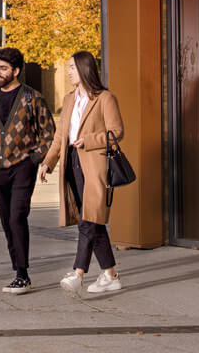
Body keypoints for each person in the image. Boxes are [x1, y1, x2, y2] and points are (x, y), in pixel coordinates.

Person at [40, 51, 127, 298]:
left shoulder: (105, 99)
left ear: (84, 69)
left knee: (89, 220)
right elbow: (60, 136)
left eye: (71, 68)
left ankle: (78, 272)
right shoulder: (69, 100)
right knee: (90, 219)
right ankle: (110, 275)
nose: (68, 72)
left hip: (95, 165)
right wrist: (48, 162)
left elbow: (116, 132)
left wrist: (88, 140)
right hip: (72, 164)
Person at [0, 47, 56, 295]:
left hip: (22, 166)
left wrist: (34, 160)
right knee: (5, 220)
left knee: (17, 216)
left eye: (3, 68)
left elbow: (49, 134)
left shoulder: (33, 98)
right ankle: (17, 269)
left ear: (16, 71)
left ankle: (22, 274)